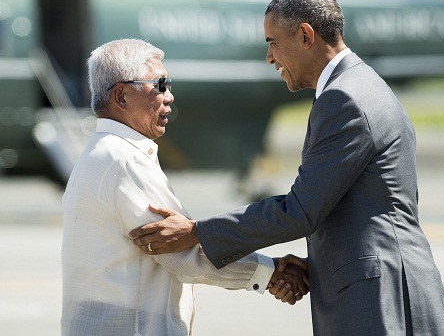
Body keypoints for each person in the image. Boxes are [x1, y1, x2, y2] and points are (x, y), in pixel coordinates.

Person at [128, 0, 444, 336]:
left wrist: (196, 232)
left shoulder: (344, 98)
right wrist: (316, 265)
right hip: (385, 288)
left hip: (382, 299)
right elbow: (362, 212)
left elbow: (300, 211)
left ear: (305, 35)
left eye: (273, 43)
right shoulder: (360, 85)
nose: (270, 58)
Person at [61, 38, 309, 336]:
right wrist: (270, 272)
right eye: (160, 85)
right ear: (122, 95)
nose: (170, 96)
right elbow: (183, 255)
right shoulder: (125, 160)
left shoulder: (102, 152)